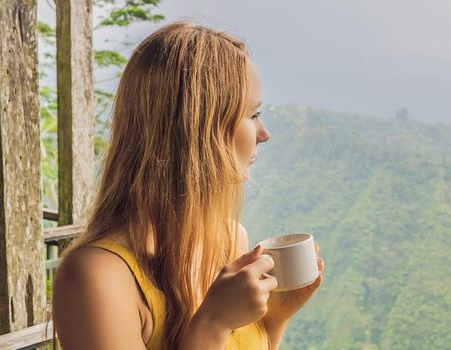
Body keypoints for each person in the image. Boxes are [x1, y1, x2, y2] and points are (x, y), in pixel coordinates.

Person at [52, 21, 325, 349]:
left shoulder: (228, 239)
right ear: (197, 129)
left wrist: (275, 319)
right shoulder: (97, 276)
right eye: (252, 115)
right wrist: (213, 323)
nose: (264, 133)